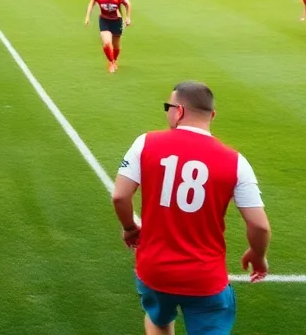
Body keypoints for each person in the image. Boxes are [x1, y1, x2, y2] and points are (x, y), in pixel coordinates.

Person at [112, 82, 271, 335]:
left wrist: (130, 228)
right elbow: (259, 225)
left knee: (159, 320)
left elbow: (120, 196)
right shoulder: (236, 162)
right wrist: (257, 254)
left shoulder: (145, 143)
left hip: (155, 271)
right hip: (205, 278)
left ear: (179, 111)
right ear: (213, 115)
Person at [85, 0, 130, 73]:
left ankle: (115, 59)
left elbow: (127, 4)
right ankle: (111, 62)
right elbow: (91, 3)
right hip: (104, 20)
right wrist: (87, 17)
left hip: (116, 20)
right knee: (107, 42)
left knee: (116, 44)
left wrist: (128, 17)